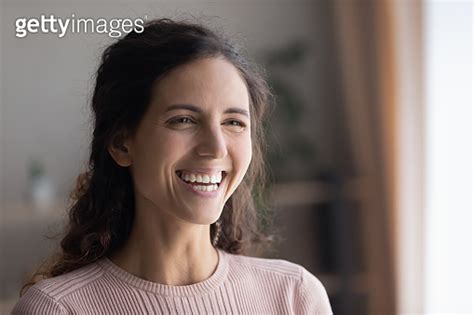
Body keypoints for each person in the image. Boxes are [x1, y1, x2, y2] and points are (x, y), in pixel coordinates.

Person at [12, 18, 333, 314]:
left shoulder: (293, 295)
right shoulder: (57, 309)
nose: (216, 147)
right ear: (122, 144)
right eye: (183, 120)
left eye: (233, 122)